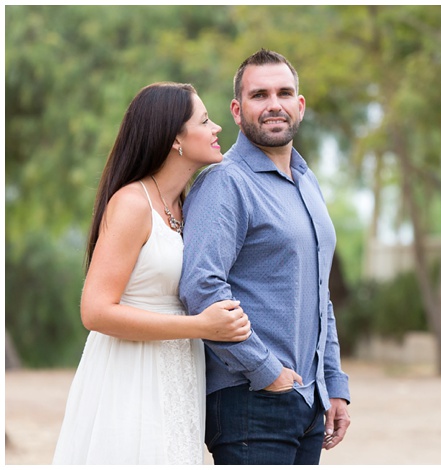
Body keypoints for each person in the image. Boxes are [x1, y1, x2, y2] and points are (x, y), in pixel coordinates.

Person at [52, 82, 251, 465]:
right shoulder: (131, 204)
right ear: (176, 137)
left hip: (179, 371)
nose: (217, 130)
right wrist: (200, 326)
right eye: (205, 121)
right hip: (131, 374)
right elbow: (94, 311)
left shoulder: (185, 205)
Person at [179, 49, 351, 465]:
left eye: (284, 92)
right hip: (250, 400)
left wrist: (334, 384)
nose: (274, 104)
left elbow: (318, 294)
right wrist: (265, 370)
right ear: (237, 111)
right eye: (260, 95)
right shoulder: (225, 183)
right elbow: (202, 287)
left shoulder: (307, 183)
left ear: (300, 105)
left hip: (308, 401)